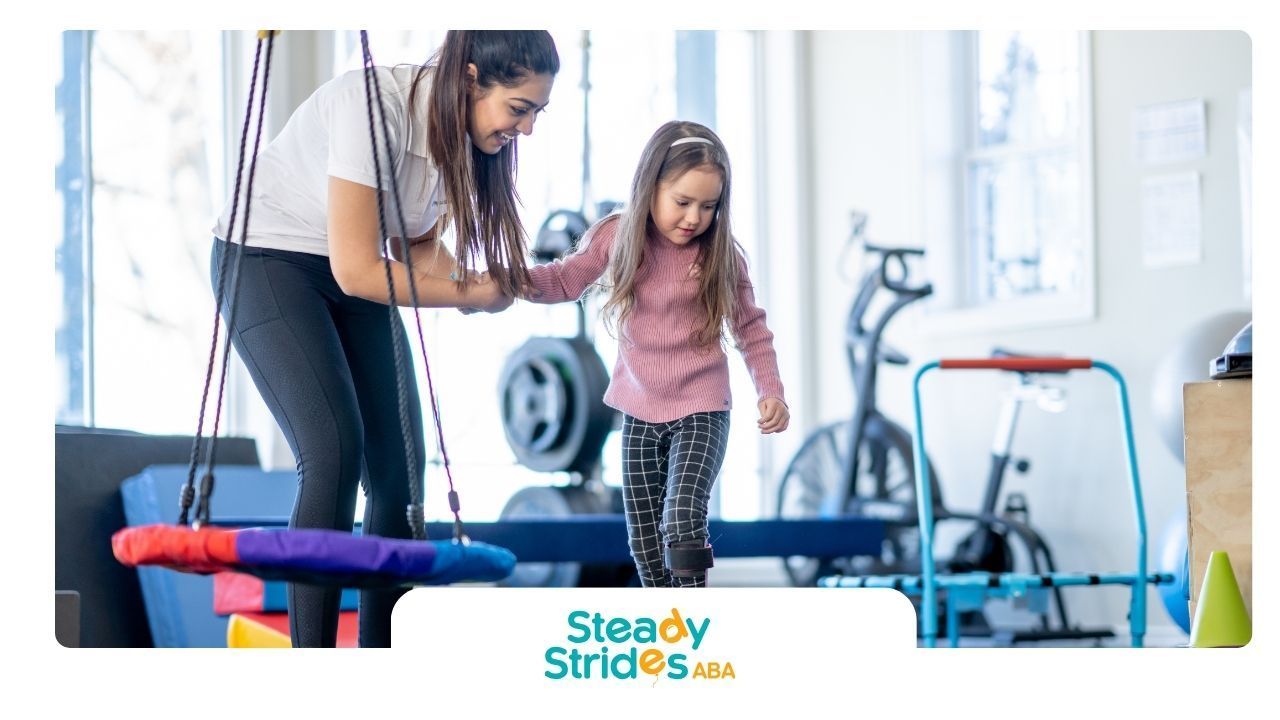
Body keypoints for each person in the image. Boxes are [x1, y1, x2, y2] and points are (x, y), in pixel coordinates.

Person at [209, 31, 559, 647]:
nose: (527, 130)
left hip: (353, 269)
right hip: (266, 258)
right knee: (334, 450)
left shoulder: (461, 139)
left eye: (537, 112)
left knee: (399, 473)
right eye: (520, 109)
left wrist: (474, 281)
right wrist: (470, 294)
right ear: (471, 78)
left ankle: (387, 666)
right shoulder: (373, 107)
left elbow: (414, 243)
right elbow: (358, 270)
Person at [516, 120, 789, 587]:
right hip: (639, 408)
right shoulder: (618, 236)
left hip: (703, 406)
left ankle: (691, 616)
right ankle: (665, 624)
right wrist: (507, 281)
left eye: (708, 206)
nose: (693, 218)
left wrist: (772, 390)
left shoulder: (722, 255)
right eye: (682, 202)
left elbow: (750, 327)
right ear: (650, 187)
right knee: (644, 541)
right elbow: (565, 279)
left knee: (683, 513)